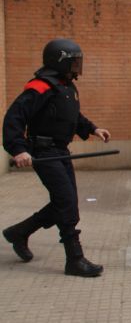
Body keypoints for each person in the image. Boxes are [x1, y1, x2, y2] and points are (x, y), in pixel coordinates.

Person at [2, 38, 111, 277]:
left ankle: (19, 232)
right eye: (73, 62)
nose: (77, 67)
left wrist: (93, 128)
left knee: (65, 202)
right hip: (44, 152)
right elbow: (14, 118)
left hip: (60, 152)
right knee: (67, 203)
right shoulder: (40, 87)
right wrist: (19, 149)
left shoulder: (66, 87)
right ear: (59, 62)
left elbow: (72, 116)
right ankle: (74, 259)